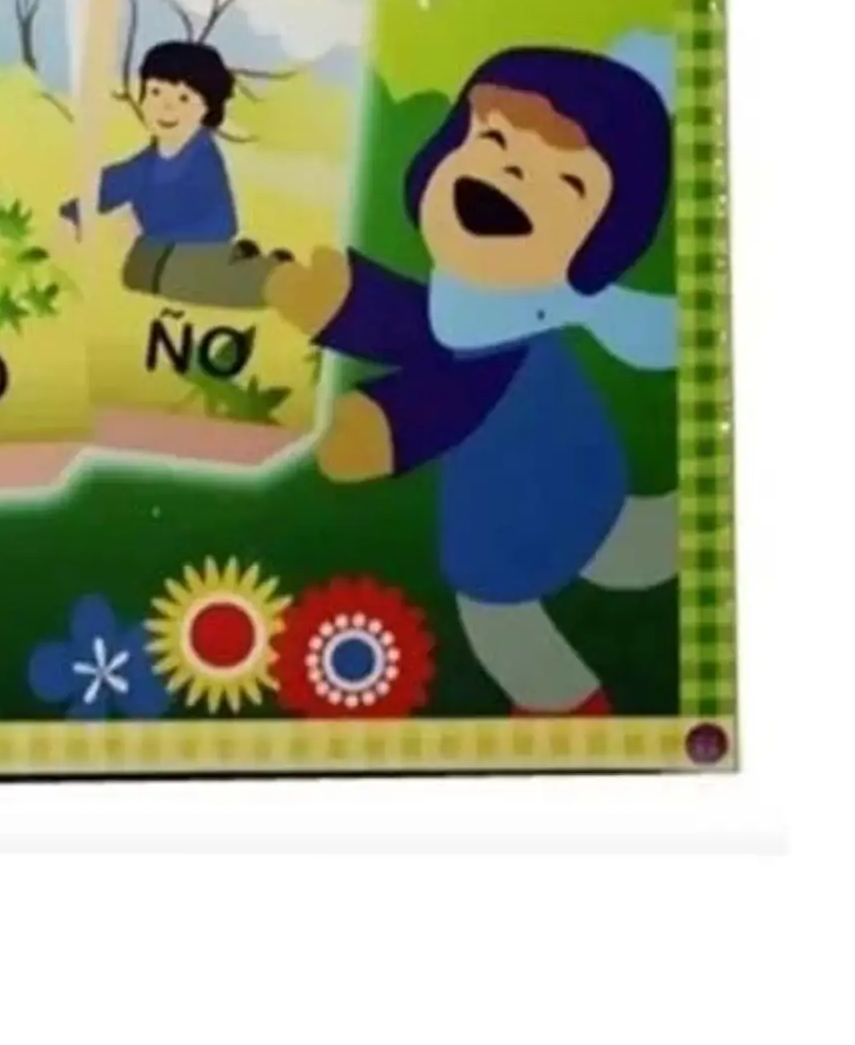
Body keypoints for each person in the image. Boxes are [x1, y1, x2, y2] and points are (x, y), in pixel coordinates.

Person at [268, 45, 678, 715]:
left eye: (566, 183)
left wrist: (386, 428)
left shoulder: (516, 327)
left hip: (524, 506)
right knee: (622, 545)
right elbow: (422, 325)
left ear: (598, 244)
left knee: (504, 618)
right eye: (492, 141)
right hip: (565, 487)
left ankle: (569, 715)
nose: (509, 171)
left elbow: (455, 388)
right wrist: (339, 301)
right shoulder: (472, 302)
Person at [74, 39, 283, 308]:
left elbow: (190, 204)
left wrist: (142, 218)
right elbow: (119, 180)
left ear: (207, 108)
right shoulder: (151, 158)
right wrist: (76, 210)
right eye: (155, 92)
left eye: (183, 98)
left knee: (221, 287)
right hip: (160, 248)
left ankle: (270, 270)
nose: (166, 107)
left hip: (200, 247)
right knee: (136, 274)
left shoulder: (202, 157)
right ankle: (241, 259)